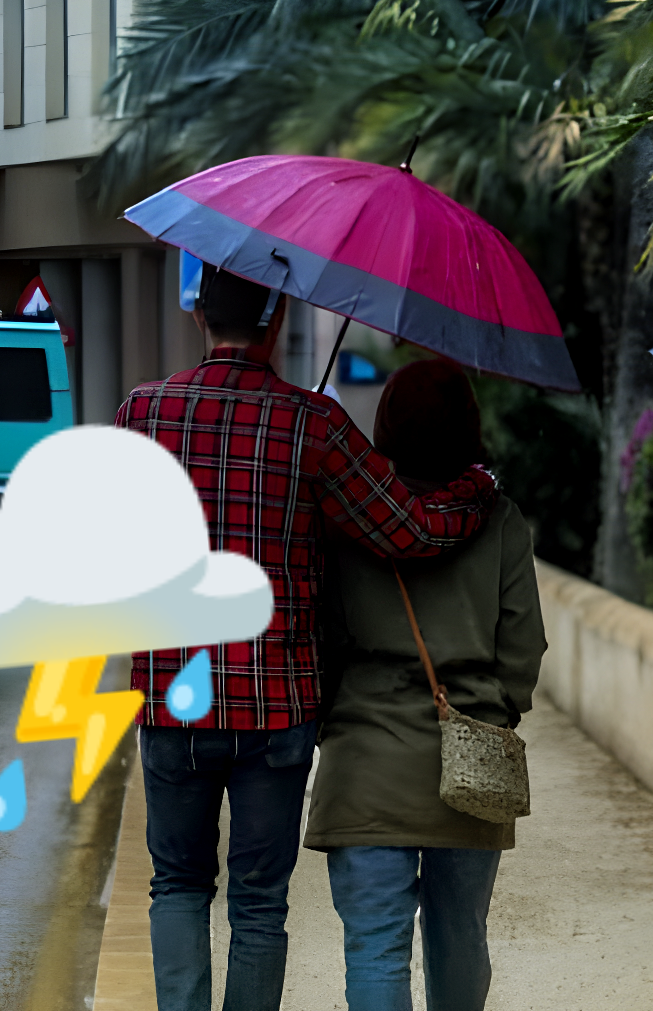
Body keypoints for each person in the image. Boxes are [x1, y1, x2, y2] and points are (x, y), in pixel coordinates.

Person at [114, 266, 498, 1011]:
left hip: (171, 698)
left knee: (177, 884)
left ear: (199, 315)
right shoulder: (311, 422)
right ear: (277, 318)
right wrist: (475, 487)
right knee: (259, 903)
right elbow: (409, 530)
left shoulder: (141, 413)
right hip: (275, 705)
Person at [305, 358, 545, 1011]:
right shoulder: (499, 520)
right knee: (460, 938)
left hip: (366, 763)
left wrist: (333, 722)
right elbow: (523, 648)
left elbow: (322, 635)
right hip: (468, 763)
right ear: (469, 427)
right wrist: (492, 712)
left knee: (376, 950)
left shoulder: (346, 520)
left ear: (384, 424)